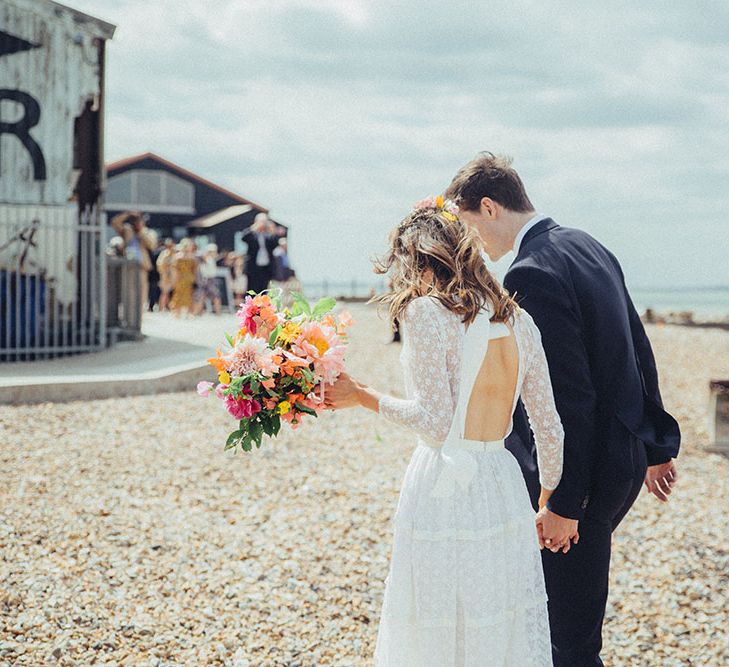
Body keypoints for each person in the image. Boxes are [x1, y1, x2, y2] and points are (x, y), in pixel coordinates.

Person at [445, 152, 681, 667]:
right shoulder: (588, 245)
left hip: (586, 476)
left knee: (568, 641)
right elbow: (637, 349)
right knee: (566, 627)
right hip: (624, 457)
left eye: (467, 226)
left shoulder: (531, 274)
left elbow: (567, 398)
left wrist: (563, 503)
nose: (472, 243)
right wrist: (657, 443)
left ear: (488, 208)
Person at [326, 198, 564, 665]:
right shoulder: (519, 320)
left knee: (437, 618)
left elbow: (434, 422)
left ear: (416, 258)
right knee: (498, 613)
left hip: (443, 484)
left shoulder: (427, 314)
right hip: (503, 480)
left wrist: (361, 395)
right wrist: (548, 497)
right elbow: (548, 426)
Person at [110, 211, 157, 319]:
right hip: (129, 266)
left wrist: (141, 232)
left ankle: (138, 319)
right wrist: (127, 214)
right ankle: (129, 317)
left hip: (142, 267)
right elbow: (114, 222)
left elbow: (152, 245)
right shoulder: (127, 230)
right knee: (129, 294)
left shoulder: (148, 232)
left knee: (141, 294)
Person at [242, 213, 279, 294]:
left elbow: (275, 243)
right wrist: (254, 227)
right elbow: (244, 237)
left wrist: (272, 230)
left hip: (266, 268)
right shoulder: (252, 234)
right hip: (253, 268)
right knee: (251, 290)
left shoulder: (268, 235)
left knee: (264, 291)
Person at [170, 238, 198, 317]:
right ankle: (178, 312)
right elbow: (174, 269)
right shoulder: (181, 257)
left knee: (187, 295)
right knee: (179, 295)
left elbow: (195, 270)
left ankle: (186, 313)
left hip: (186, 279)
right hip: (182, 278)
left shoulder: (190, 257)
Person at [197, 243, 222, 315]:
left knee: (208, 297)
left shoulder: (210, 259)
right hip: (207, 280)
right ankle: (198, 313)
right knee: (205, 297)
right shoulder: (205, 260)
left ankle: (218, 313)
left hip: (210, 280)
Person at [156, 238, 177, 312]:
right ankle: (161, 308)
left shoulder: (174, 254)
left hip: (173, 277)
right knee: (164, 293)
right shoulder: (164, 254)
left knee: (171, 293)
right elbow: (159, 265)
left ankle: (169, 307)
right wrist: (167, 268)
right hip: (166, 277)